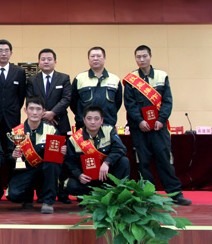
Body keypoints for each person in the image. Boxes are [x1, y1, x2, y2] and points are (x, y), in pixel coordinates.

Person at [123, 45, 191, 206]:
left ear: (150, 57)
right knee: (143, 162)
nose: (141, 59)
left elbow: (167, 101)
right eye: (138, 57)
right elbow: (130, 104)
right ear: (135, 59)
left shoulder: (162, 76)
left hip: (159, 127)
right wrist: (140, 121)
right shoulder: (131, 79)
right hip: (139, 128)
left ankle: (175, 193)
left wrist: (161, 119)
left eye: (144, 56)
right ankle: (147, 195)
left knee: (165, 160)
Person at [6, 96, 66, 214]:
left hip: (44, 172)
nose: (34, 112)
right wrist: (13, 156)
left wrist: (62, 153)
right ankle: (27, 198)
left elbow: (58, 158)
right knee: (14, 195)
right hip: (25, 171)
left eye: (38, 109)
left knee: (53, 163)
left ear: (43, 111)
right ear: (25, 110)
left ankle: (48, 202)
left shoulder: (51, 130)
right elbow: (8, 157)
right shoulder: (16, 132)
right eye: (31, 108)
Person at [64, 105, 130, 196]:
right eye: (89, 118)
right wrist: (79, 175)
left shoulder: (109, 131)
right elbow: (70, 162)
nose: (93, 122)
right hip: (87, 179)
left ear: (102, 120)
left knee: (124, 161)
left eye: (96, 119)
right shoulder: (74, 139)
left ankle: (117, 194)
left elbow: (120, 149)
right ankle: (93, 195)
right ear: (84, 120)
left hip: (106, 176)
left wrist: (107, 162)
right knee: (71, 185)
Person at [0, 40, 26, 155]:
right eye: (0, 51)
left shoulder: (19, 71)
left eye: (6, 51)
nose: (4, 53)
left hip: (12, 117)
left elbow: (21, 95)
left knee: (12, 151)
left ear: (11, 53)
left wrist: (13, 107)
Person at [70, 46, 123, 129]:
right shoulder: (79, 78)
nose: (95, 58)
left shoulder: (114, 79)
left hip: (108, 126)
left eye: (99, 56)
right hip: (84, 127)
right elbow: (73, 103)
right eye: (92, 56)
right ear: (88, 59)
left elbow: (117, 103)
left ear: (104, 59)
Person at [27, 48, 72, 136]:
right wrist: (44, 115)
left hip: (59, 122)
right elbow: (30, 100)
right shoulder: (32, 80)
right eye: (43, 59)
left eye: (49, 59)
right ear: (39, 62)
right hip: (38, 122)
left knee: (59, 145)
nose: (46, 62)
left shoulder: (64, 78)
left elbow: (66, 98)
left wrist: (53, 113)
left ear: (55, 62)